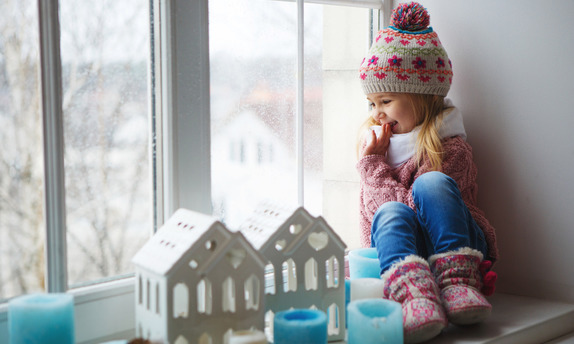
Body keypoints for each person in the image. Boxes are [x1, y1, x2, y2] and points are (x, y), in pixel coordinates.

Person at [356, 2, 498, 343]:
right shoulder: (375, 151)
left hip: (457, 244)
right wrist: (373, 166)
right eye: (372, 104)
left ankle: (459, 285)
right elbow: (377, 220)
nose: (377, 114)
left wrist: (379, 172)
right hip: (405, 257)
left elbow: (421, 210)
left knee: (431, 184)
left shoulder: (449, 147)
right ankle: (413, 299)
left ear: (422, 96)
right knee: (389, 212)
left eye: (386, 101)